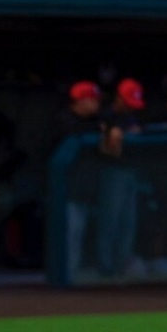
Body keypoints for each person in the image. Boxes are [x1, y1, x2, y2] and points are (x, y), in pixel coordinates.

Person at [50, 80, 104, 279]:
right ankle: (66, 277)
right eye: (92, 99)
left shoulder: (97, 120)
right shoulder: (64, 120)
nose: (97, 104)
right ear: (80, 100)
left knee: (82, 236)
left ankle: (77, 274)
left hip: (89, 190)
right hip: (66, 192)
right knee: (70, 236)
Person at [97, 77, 146, 277]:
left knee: (128, 222)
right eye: (128, 101)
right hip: (111, 172)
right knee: (110, 220)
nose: (130, 106)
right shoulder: (106, 115)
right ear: (119, 97)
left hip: (131, 172)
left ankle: (121, 265)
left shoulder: (131, 117)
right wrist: (112, 131)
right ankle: (105, 267)